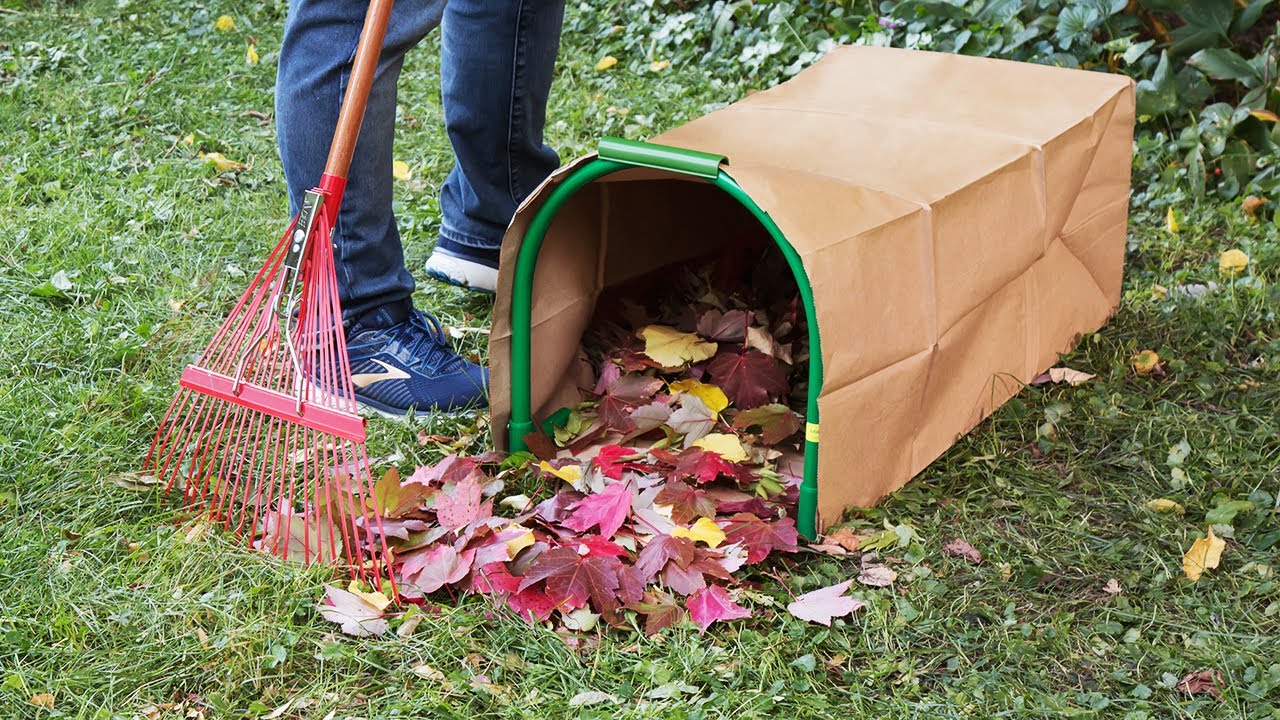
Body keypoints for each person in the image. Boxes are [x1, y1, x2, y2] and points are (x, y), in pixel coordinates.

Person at [276, 0, 565, 416]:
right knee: (352, 10)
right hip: (349, 317)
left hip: (495, 210)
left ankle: (492, 221)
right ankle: (353, 322)